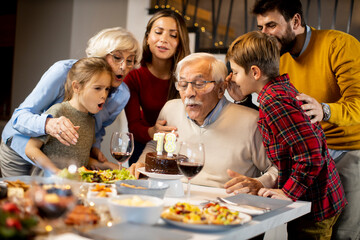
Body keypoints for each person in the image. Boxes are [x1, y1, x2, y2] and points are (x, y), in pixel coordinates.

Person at [252, 0, 360, 239]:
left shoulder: (339, 44)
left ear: (296, 21)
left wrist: (325, 111)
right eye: (261, 27)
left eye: (271, 25)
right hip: (310, 155)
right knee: (304, 231)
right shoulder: (279, 58)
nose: (265, 34)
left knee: (344, 233)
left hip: (348, 151)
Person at [226, 30, 347, 239]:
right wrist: (241, 95)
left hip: (314, 205)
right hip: (320, 197)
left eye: (235, 72)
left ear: (255, 72)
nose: (232, 78)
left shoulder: (275, 102)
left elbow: (311, 156)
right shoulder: (277, 90)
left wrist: (288, 192)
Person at [0, 27, 140, 177]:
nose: (124, 66)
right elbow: (19, 117)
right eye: (117, 58)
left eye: (130, 60)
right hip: (20, 149)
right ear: (100, 55)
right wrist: (49, 124)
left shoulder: (122, 94)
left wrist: (94, 150)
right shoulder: (63, 72)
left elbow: (97, 128)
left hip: (59, 161)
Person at [129, 52, 278, 192]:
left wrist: (260, 183)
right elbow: (156, 145)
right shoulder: (171, 109)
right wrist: (143, 165)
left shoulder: (251, 121)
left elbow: (277, 167)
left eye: (199, 84)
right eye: (183, 84)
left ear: (221, 89)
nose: (189, 93)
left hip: (225, 208)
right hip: (175, 199)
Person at [26, 58, 118, 175]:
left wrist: (105, 165)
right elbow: (30, 149)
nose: (104, 95)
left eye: (107, 89)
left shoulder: (91, 120)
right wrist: (55, 171)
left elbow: (81, 158)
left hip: (74, 186)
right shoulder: (58, 112)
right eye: (97, 88)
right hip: (48, 185)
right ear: (76, 87)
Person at [124, 9, 190, 165]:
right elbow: (134, 127)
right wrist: (153, 131)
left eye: (173, 35)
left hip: (180, 143)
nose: (164, 39)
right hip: (146, 142)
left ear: (180, 42)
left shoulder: (187, 75)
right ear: (147, 38)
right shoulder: (134, 77)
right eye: (158, 32)